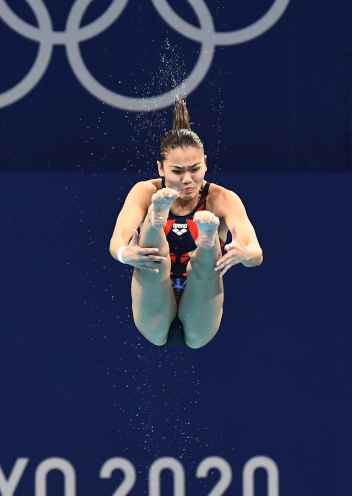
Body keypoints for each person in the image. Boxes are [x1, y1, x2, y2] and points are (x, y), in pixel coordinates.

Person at [109, 100, 263, 348]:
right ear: (160, 168)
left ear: (205, 163)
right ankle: (155, 219)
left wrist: (245, 253)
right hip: (155, 297)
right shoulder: (144, 191)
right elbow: (116, 242)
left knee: (207, 267)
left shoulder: (222, 199)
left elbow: (256, 254)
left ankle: (207, 240)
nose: (187, 180)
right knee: (152, 261)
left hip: (200, 303)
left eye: (195, 169)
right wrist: (126, 254)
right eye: (177, 171)